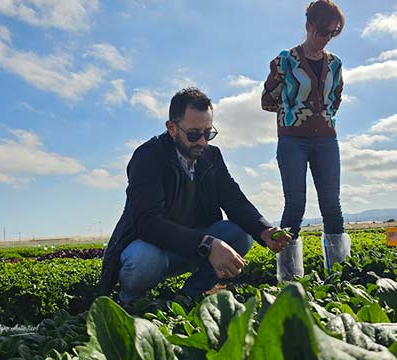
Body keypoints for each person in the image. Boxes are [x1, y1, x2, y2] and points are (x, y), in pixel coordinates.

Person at [98, 87, 292, 304]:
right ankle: (132, 301)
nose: (202, 142)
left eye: (208, 133)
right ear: (172, 128)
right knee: (144, 259)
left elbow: (233, 199)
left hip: (191, 247)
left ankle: (190, 295)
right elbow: (147, 222)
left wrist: (264, 230)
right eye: (193, 134)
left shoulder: (212, 156)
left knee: (241, 234)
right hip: (154, 249)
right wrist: (207, 244)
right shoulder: (148, 156)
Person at [261, 0, 350, 280]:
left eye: (333, 33)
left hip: (326, 140)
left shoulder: (335, 64)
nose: (326, 38)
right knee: (295, 206)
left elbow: (335, 98)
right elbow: (267, 101)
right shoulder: (284, 61)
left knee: (332, 206)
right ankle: (289, 279)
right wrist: (294, 113)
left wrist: (321, 118)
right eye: (323, 31)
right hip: (292, 141)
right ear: (309, 25)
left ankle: (338, 276)